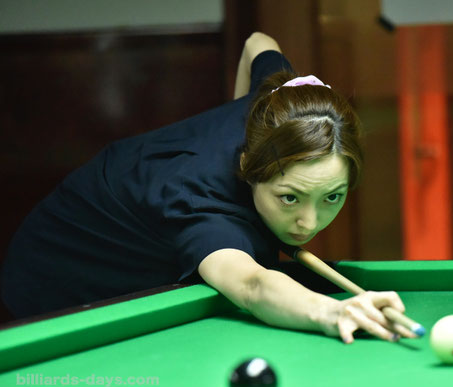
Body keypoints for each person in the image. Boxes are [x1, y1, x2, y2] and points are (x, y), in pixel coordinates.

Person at [1, 32, 414, 343]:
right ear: (246, 167)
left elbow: (258, 43)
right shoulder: (201, 206)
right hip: (57, 274)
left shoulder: (279, 107)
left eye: (332, 197)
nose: (309, 222)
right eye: (290, 197)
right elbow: (252, 285)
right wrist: (332, 312)